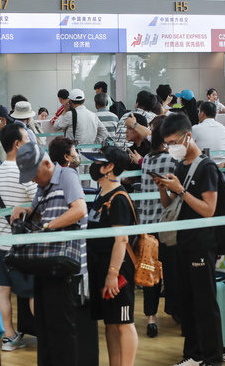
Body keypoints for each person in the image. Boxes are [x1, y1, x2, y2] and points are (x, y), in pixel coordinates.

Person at [11, 142, 88, 366]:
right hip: (45, 264)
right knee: (44, 328)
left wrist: (49, 227)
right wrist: (24, 211)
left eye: (34, 175)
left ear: (47, 163)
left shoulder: (67, 176)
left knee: (61, 331)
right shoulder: (43, 186)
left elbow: (80, 209)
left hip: (64, 267)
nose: (33, 180)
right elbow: (39, 216)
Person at [155, 113, 223, 366]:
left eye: (174, 142)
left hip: (202, 244)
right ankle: (193, 354)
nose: (171, 148)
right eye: (167, 143)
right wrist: (164, 188)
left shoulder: (206, 167)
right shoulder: (179, 165)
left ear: (188, 137)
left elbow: (208, 209)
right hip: (181, 242)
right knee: (188, 301)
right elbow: (171, 205)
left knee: (205, 302)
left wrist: (180, 190)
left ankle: (213, 357)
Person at [82, 146, 138, 366]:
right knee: (110, 323)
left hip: (117, 270)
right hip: (99, 268)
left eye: (98, 163)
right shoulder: (100, 194)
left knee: (124, 322)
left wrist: (113, 274)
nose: (94, 167)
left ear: (109, 167)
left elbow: (121, 240)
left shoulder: (119, 198)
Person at [0, 123, 37, 351]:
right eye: (27, 139)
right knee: (33, 292)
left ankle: (8, 337)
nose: (30, 142)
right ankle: (47, 333)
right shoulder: (24, 171)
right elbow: (39, 203)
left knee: (3, 292)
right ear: (17, 144)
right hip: (21, 243)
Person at [138, 115, 178, 338]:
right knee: (171, 271)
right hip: (168, 225)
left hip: (147, 226)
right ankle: (175, 312)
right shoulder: (172, 161)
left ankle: (151, 318)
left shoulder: (147, 161)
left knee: (150, 274)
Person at [192, 101, 225, 165]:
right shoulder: (224, 129)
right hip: (224, 167)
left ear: (202, 114)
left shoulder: (195, 129)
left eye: (199, 112)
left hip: (205, 167)